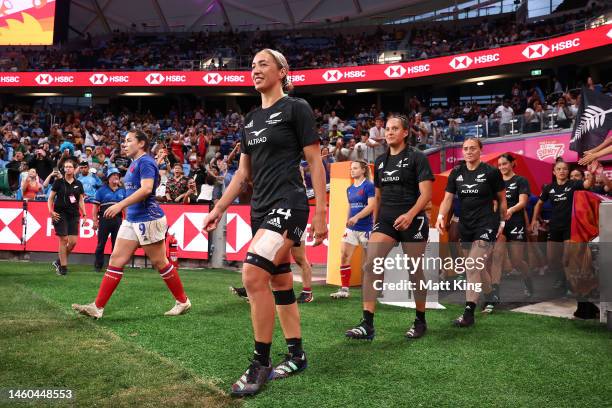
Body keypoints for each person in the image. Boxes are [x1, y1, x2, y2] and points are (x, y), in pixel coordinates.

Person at [202, 49, 327, 397]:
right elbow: (243, 174)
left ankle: (260, 362)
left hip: (290, 203)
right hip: (260, 210)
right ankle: (297, 354)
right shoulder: (251, 119)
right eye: (253, 64)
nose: (255, 69)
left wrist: (320, 211)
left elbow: (315, 163)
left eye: (263, 64)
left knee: (253, 273)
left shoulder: (296, 108)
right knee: (280, 282)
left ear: (282, 70)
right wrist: (218, 209)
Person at [72, 130, 191, 319]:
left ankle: (183, 301)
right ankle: (98, 307)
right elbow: (147, 182)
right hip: (133, 219)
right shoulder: (139, 162)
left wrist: (119, 205)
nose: (124, 144)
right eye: (124, 141)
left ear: (142, 143)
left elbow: (146, 189)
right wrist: (158, 161)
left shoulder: (145, 161)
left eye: (129, 141)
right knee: (116, 260)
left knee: (160, 262)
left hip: (148, 218)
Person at [345, 115, 434, 340]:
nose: (390, 132)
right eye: (387, 128)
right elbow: (378, 196)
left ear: (405, 132)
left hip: (413, 219)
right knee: (371, 264)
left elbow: (426, 194)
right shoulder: (382, 161)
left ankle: (420, 320)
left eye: (395, 128)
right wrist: (375, 223)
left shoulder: (417, 157)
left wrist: (410, 214)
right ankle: (367, 324)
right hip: (386, 220)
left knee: (415, 271)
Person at [435, 137, 507, 327]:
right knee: (474, 266)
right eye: (465, 148)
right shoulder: (456, 172)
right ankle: (491, 294)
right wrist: (441, 216)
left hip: (486, 223)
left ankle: (468, 313)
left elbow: (502, 199)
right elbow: (448, 198)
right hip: (466, 225)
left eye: (473, 148)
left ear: (480, 150)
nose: (468, 151)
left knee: (472, 265)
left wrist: (502, 222)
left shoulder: (491, 172)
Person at [530, 159, 594, 316]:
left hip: (570, 228)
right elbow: (538, 204)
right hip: (554, 228)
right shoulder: (549, 188)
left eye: (565, 169)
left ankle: (576, 293)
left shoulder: (573, 184)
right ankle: (566, 282)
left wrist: (591, 173)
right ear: (554, 172)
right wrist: (534, 220)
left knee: (568, 260)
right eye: (559, 169)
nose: (562, 171)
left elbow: (587, 185)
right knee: (552, 260)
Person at [486, 154, 533, 313]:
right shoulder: (495, 182)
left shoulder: (521, 181)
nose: (501, 167)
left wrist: (510, 210)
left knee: (516, 261)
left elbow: (523, 202)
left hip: (515, 222)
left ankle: (528, 280)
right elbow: (493, 202)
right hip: (499, 223)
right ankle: (495, 294)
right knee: (497, 256)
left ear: (513, 164)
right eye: (499, 165)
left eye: (504, 164)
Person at [331, 160, 375, 299]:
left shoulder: (369, 185)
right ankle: (344, 289)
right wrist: (347, 221)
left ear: (363, 170)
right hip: (351, 229)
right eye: (351, 168)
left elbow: (371, 206)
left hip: (366, 228)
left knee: (372, 261)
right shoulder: (349, 189)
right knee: (344, 256)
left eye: (355, 168)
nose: (352, 170)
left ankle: (376, 288)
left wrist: (356, 217)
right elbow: (350, 207)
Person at [47, 159, 86, 276]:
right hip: (60, 213)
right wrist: (51, 211)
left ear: (74, 169)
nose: (68, 168)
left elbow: (80, 199)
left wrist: (84, 213)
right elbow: (50, 198)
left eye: (70, 167)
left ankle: (59, 261)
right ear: (63, 169)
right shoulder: (58, 182)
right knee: (63, 239)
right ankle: (63, 267)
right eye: (66, 167)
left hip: (73, 214)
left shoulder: (79, 184)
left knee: (73, 242)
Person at [91, 168, 127, 272]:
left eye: (117, 175)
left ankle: (114, 265)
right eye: (113, 175)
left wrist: (127, 220)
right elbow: (95, 207)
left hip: (118, 220)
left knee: (116, 244)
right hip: (104, 220)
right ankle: (98, 265)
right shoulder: (101, 190)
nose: (116, 176)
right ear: (108, 178)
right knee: (101, 244)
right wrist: (94, 221)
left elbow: (125, 207)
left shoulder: (122, 191)